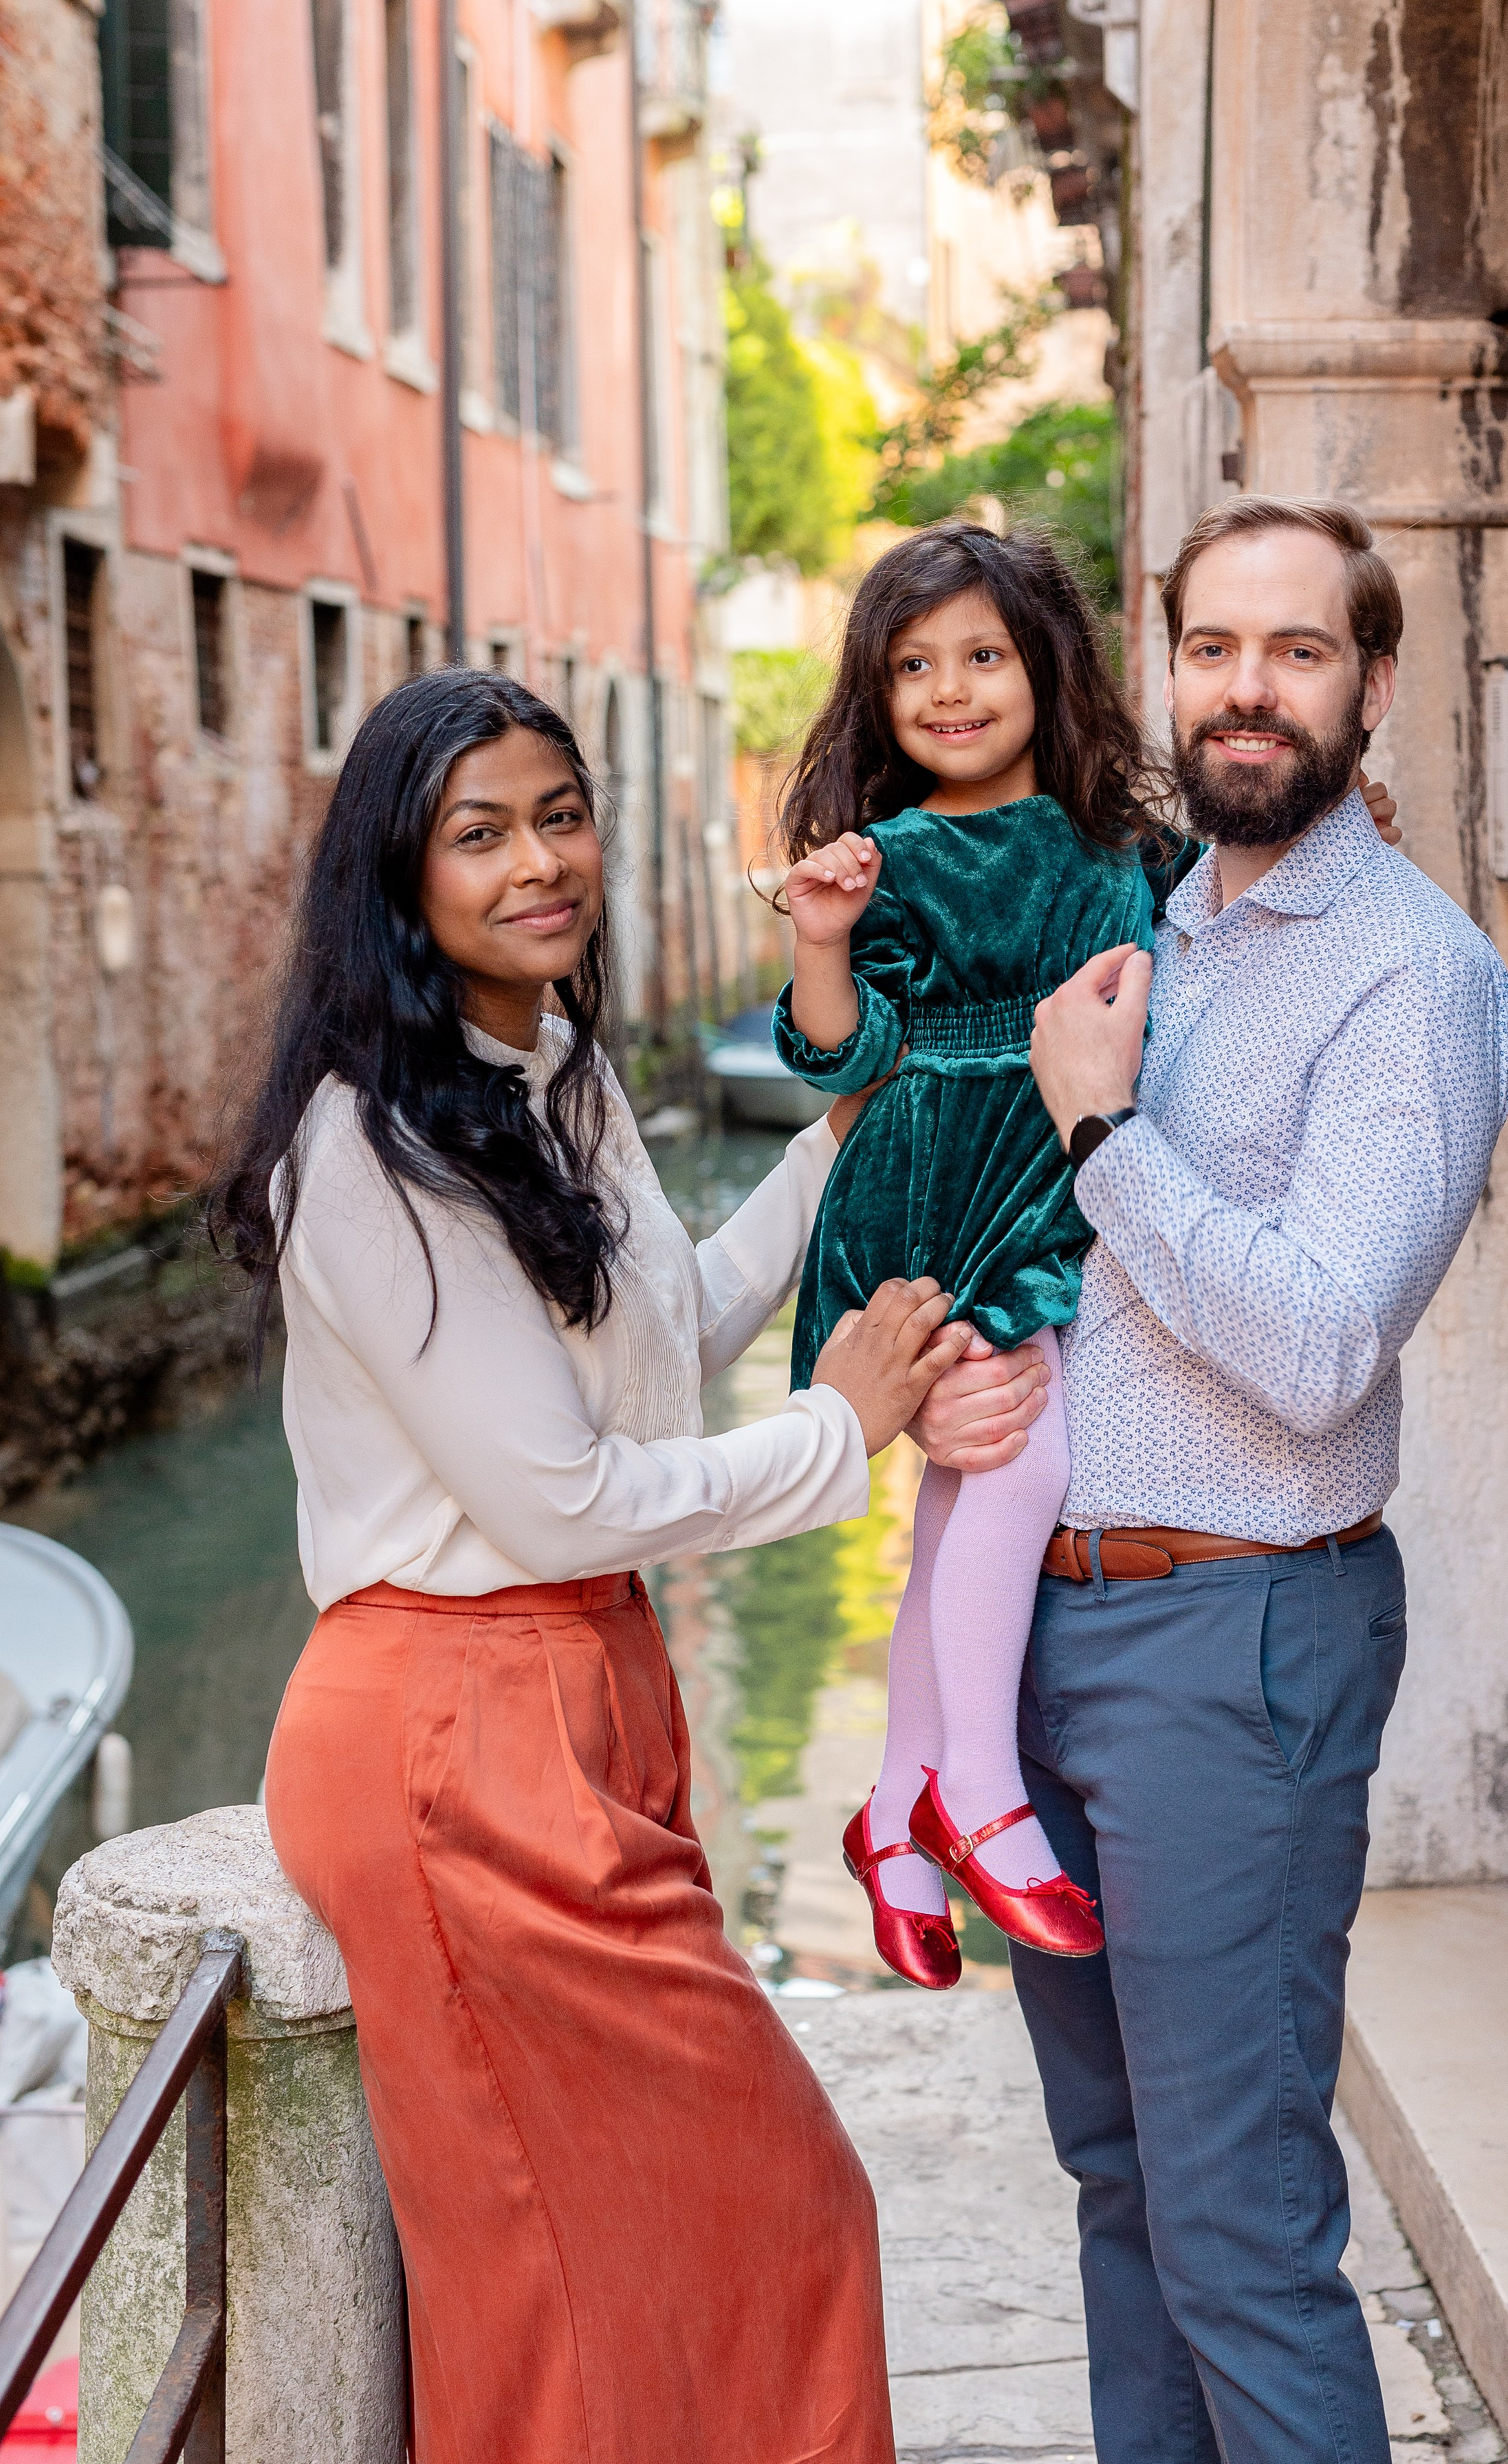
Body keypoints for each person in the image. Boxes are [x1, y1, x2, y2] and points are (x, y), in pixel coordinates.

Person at [210, 670, 963, 2464]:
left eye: (561, 812)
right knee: (714, 2225)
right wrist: (841, 1436)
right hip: (455, 1738)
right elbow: (556, 1497)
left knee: (632, 2265)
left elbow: (657, 1336)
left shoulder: (549, 1068)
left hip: (557, 1707)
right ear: (397, 880)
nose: (541, 861)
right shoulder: (363, 1150)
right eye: (481, 832)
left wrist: (827, 1156)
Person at [917, 496, 1508, 2461]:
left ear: (1375, 685)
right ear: (1165, 673)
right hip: (1052, 1635)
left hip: (1236, 1641)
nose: (1247, 690)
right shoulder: (1144, 917)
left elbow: (1330, 1340)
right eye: (1213, 649)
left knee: (1243, 2226)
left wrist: (1107, 1145)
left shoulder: (1413, 979)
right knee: (1120, 2193)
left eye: (1299, 651)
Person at [774, 521, 1402, 1994]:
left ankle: (896, 1805)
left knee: (965, 1487)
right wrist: (821, 933)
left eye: (981, 655)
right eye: (911, 666)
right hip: (943, 1175)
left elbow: (1219, 905)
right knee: (1021, 1462)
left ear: (1046, 669)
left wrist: (1358, 813)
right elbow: (840, 1053)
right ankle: (974, 1786)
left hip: (1040, 1169)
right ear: (877, 697)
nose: (947, 689)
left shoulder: (1126, 850)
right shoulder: (897, 859)